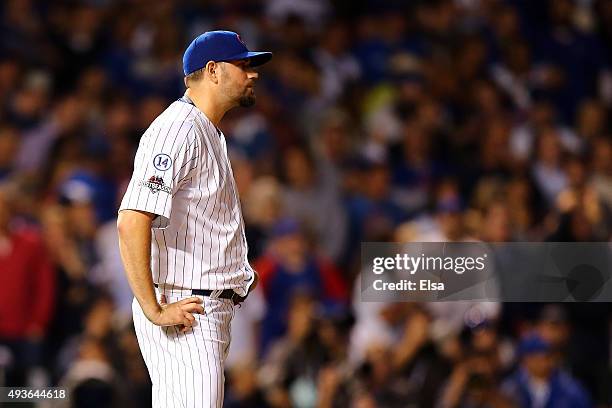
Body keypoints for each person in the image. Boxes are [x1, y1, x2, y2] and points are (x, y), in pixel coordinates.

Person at [117, 30, 272, 407]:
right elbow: (132, 218)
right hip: (187, 309)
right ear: (213, 70)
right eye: (243, 65)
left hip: (201, 309)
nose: (252, 74)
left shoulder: (206, 130)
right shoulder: (178, 129)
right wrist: (154, 308)